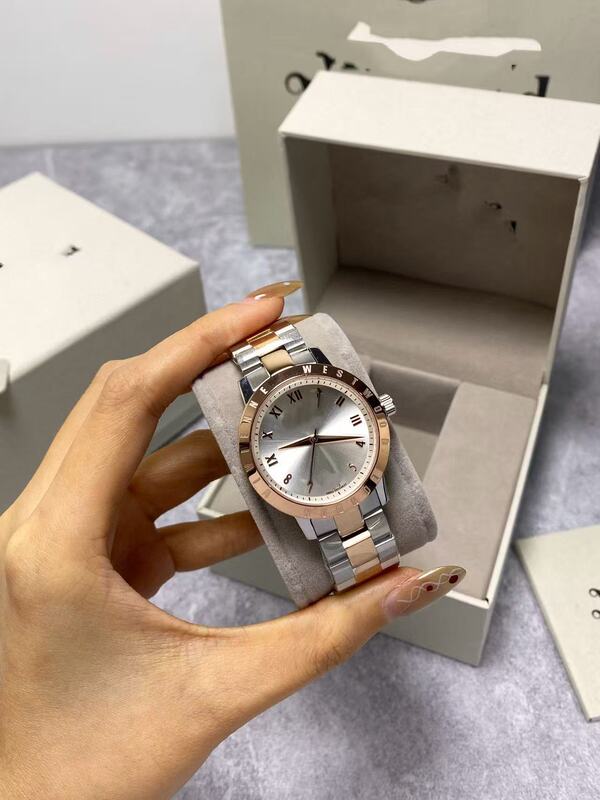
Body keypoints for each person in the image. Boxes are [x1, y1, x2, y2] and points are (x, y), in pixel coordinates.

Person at [0, 282, 464, 799]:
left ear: (377, 409)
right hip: (311, 503)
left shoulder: (314, 418)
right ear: (254, 464)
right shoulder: (282, 480)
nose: (311, 439)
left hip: (345, 481)